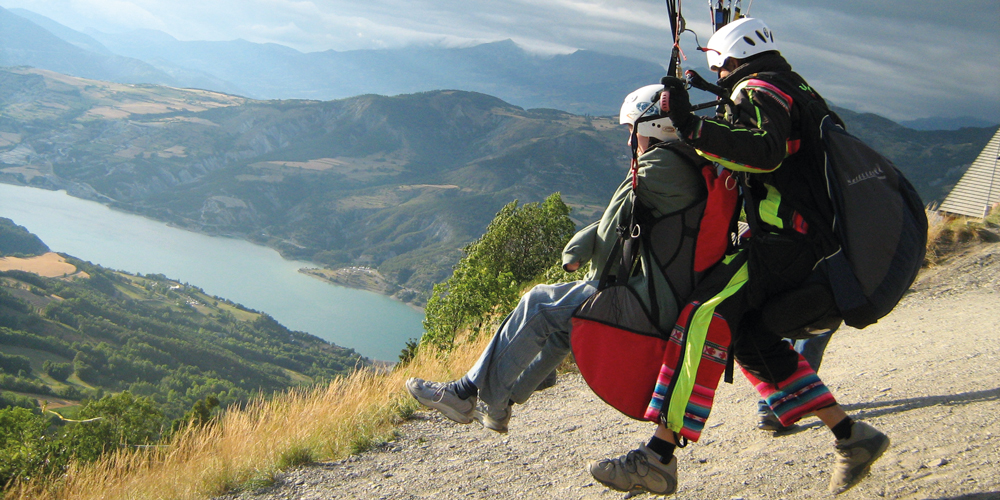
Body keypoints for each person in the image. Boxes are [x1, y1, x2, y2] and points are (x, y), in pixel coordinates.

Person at [589, 18, 889, 496]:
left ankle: (658, 457)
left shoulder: (761, 88)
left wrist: (691, 127)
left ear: (732, 58)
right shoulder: (794, 87)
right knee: (750, 338)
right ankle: (852, 436)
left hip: (793, 244)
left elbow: (764, 153)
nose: (721, 76)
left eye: (720, 68)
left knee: (703, 316)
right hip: (814, 244)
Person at [406, 83, 709, 434]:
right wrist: (580, 249)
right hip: (664, 295)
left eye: (631, 129)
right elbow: (621, 220)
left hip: (648, 302)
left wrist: (589, 270)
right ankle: (500, 405)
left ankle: (465, 393)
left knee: (540, 303)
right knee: (563, 324)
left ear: (653, 127)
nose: (628, 139)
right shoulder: (679, 161)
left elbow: (613, 226)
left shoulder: (658, 167)